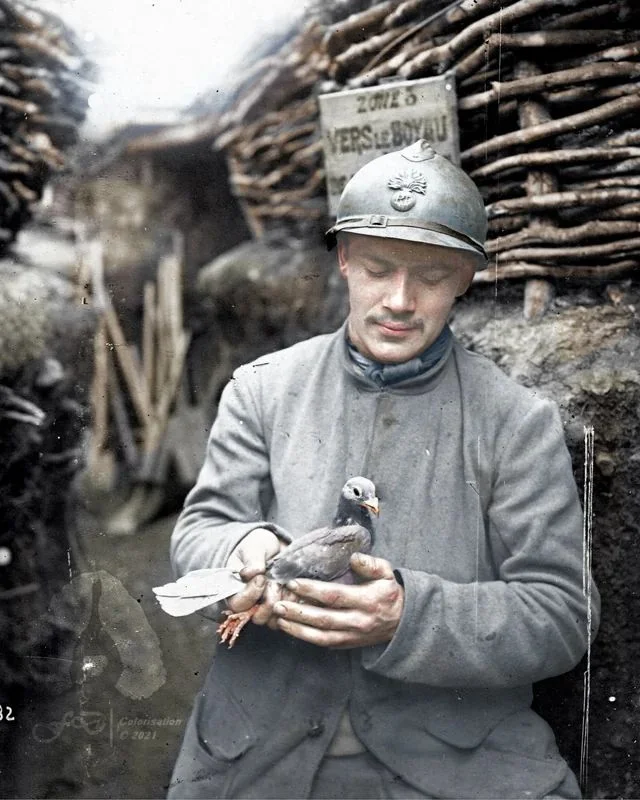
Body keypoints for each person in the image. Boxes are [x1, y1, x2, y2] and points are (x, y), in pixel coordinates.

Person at [167, 139, 599, 799]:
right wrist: (241, 547)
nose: (399, 300)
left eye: (430, 277)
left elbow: (562, 612)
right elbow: (199, 531)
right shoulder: (261, 389)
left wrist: (411, 617)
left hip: (453, 767)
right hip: (258, 754)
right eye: (378, 268)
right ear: (343, 259)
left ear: (466, 277)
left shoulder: (516, 423)